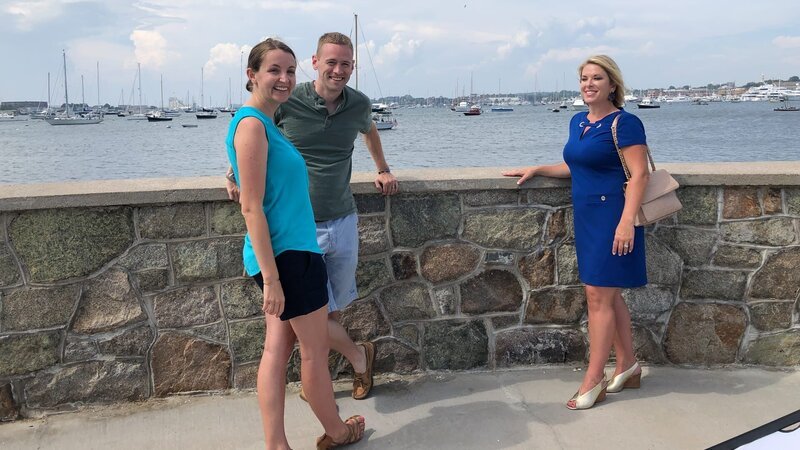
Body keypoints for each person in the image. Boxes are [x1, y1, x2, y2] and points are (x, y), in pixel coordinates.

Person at [227, 32, 398, 402]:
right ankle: (352, 360)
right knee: (306, 318)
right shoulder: (289, 98)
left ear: (353, 67)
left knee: (330, 307)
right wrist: (233, 173)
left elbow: (369, 129)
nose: (338, 70)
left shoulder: (358, 104)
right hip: (298, 231)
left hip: (343, 219)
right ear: (316, 62)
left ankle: (320, 380)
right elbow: (254, 133)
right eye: (331, 62)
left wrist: (382, 167)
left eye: (346, 63)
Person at [503, 55, 648, 410]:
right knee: (607, 296)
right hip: (588, 218)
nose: (588, 84)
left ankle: (593, 378)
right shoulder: (578, 122)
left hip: (614, 218)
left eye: (597, 78)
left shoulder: (625, 123)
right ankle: (628, 366)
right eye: (584, 78)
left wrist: (627, 221)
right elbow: (575, 164)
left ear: (612, 84)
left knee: (598, 297)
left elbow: (640, 174)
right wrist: (539, 168)